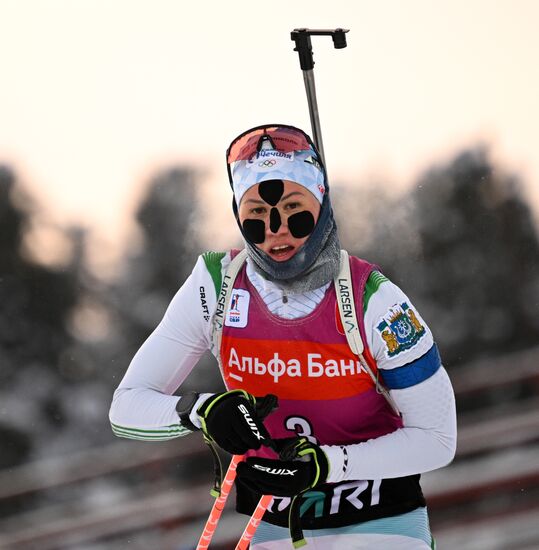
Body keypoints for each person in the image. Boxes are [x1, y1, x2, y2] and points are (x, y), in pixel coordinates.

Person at [109, 124, 457, 549]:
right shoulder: (215, 287)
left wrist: (326, 465)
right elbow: (127, 407)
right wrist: (203, 411)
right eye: (255, 213)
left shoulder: (373, 301)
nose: (277, 229)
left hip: (380, 521)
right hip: (271, 523)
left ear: (323, 201)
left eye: (294, 207)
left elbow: (437, 439)